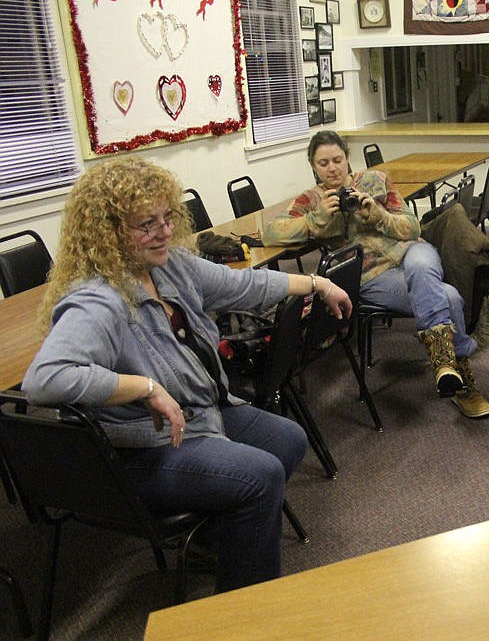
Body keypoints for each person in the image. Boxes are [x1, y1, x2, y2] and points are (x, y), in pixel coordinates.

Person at [23, 156, 352, 593]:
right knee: (260, 474)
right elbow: (45, 380)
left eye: (166, 217)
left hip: (198, 415)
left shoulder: (169, 265)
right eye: (145, 223)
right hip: (141, 446)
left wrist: (317, 284)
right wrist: (143, 388)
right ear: (108, 230)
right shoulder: (98, 300)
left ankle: (216, 542)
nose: (162, 231)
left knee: (288, 440)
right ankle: (244, 610)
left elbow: (243, 286)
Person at [262, 131, 489, 420]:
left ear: (348, 158)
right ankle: (455, 373)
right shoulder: (311, 200)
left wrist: (378, 215)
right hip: (372, 274)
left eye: (337, 159)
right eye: (323, 163)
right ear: (313, 166)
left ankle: (447, 365)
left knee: (423, 268)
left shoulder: (375, 181)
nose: (332, 168)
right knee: (450, 297)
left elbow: (412, 227)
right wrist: (316, 218)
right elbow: (271, 231)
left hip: (410, 252)